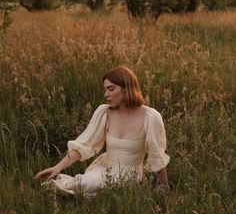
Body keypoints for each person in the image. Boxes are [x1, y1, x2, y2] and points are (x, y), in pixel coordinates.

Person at [34, 66, 170, 197]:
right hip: (105, 168)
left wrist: (166, 191)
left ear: (127, 88)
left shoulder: (150, 117)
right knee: (82, 183)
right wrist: (58, 167)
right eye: (105, 90)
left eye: (111, 89)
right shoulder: (104, 112)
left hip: (130, 176)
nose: (106, 94)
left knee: (92, 187)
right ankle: (54, 191)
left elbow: (157, 157)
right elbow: (84, 144)